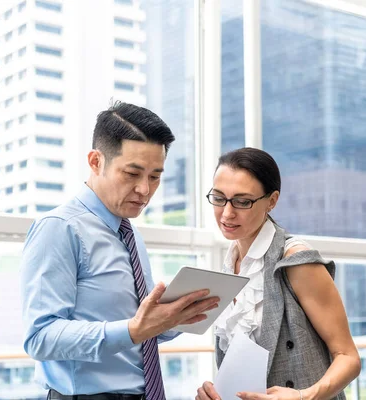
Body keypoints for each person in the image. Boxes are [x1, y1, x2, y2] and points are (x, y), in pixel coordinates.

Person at [21, 101, 219, 400]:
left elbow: (140, 329)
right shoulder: (60, 228)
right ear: (95, 161)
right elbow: (40, 338)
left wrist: (174, 317)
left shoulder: (129, 233)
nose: (145, 189)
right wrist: (132, 330)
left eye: (155, 176)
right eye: (132, 173)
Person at [196, 148, 361, 400]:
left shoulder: (295, 260)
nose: (227, 213)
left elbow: (348, 357)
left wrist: (303, 396)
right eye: (219, 198)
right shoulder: (229, 265)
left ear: (272, 201)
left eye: (242, 201)